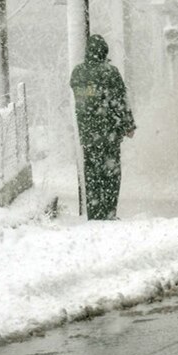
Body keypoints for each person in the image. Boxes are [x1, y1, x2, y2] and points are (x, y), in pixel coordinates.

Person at [70, 35, 135, 220]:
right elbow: (120, 100)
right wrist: (128, 125)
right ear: (104, 52)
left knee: (92, 175)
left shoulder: (77, 73)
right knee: (110, 175)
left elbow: (81, 97)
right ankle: (108, 213)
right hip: (109, 134)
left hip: (88, 136)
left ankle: (94, 214)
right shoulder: (110, 72)